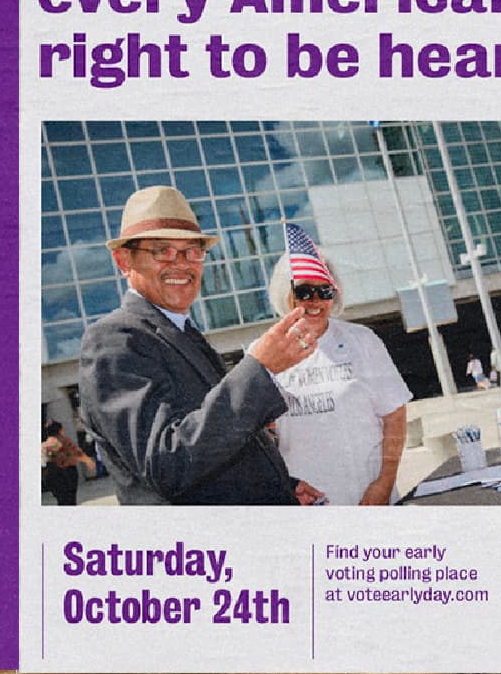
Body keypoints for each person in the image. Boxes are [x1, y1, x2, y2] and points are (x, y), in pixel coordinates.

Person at [75, 185, 320, 506]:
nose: (181, 264)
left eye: (192, 250)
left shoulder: (181, 333)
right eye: (162, 251)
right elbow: (167, 463)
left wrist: (280, 485)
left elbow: (212, 444)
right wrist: (259, 368)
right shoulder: (113, 341)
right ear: (123, 260)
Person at [266, 226, 412, 507]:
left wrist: (384, 484)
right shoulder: (263, 352)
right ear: (286, 294)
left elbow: (395, 416)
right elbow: (260, 440)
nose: (316, 301)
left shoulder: (363, 340)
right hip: (309, 511)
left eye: (325, 291)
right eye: (305, 292)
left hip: (372, 502)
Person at [41, 421, 95, 506]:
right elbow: (77, 453)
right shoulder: (64, 441)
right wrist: (88, 461)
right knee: (70, 499)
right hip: (68, 473)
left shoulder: (43, 446)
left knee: (61, 499)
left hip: (52, 475)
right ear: (60, 430)